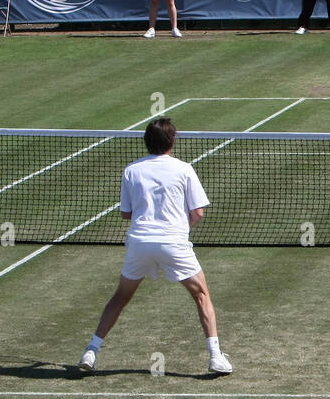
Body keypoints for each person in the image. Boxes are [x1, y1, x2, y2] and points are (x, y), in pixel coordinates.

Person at [77, 117, 232, 377]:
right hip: (174, 243)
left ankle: (90, 352)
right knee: (201, 295)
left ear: (147, 142)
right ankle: (216, 357)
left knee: (121, 297)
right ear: (172, 141)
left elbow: (126, 214)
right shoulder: (184, 169)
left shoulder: (131, 170)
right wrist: (181, 232)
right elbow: (198, 212)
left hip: (139, 242)